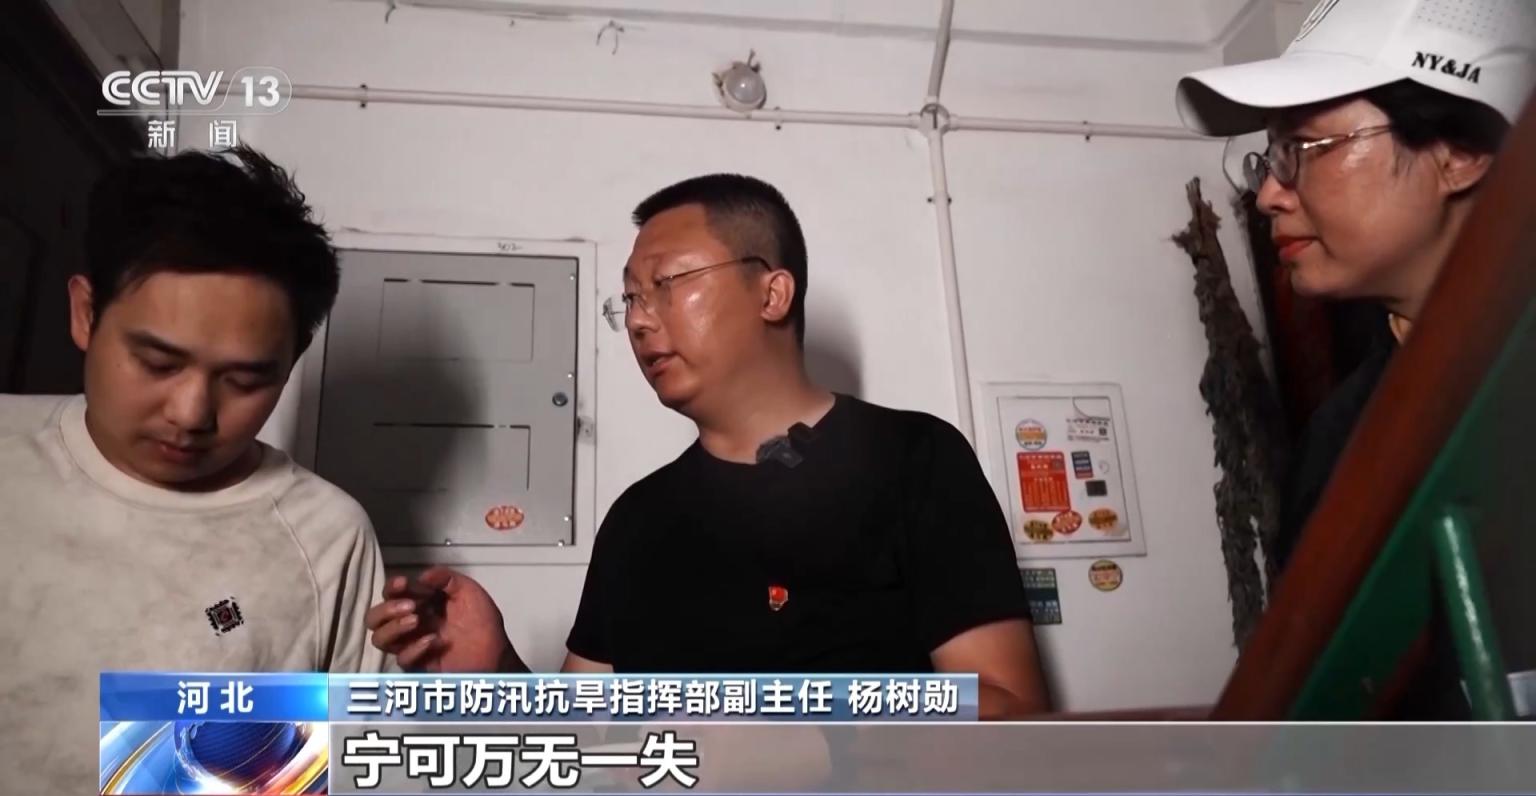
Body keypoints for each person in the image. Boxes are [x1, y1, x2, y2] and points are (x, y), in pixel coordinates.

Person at [368, 174, 1050, 719]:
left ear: (772, 292)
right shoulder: (638, 519)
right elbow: (588, 733)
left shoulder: (914, 458)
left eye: (666, 285)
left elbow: (1013, 710)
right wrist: (496, 672)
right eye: (630, 298)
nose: (640, 320)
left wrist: (804, 736)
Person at [0, 146, 389, 792]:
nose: (191, 412)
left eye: (244, 380)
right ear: (86, 314)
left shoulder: (326, 536)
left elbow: (346, 769)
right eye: (158, 363)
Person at [1176, 0, 1535, 572]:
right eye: (1269, 159)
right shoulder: (1336, 448)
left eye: (1302, 149)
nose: (1267, 195)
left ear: (1460, 153)